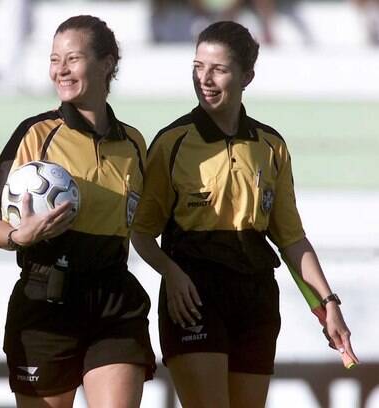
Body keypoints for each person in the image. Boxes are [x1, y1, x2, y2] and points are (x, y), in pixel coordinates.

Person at [131, 21, 359, 408]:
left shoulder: (271, 146)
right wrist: (171, 272)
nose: (204, 78)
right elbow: (140, 233)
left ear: (247, 75)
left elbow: (290, 238)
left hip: (255, 301)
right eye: (197, 66)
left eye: (218, 69)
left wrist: (327, 302)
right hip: (195, 299)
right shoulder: (172, 142)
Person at [0, 15, 156, 408]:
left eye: (72, 59)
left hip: (114, 301)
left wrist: (173, 275)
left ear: (106, 63)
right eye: (54, 59)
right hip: (46, 301)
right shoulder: (36, 133)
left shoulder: (134, 143)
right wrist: (18, 236)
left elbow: (141, 228)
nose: (60, 69)